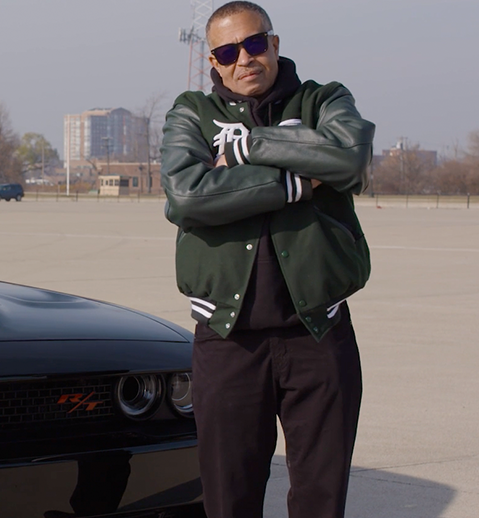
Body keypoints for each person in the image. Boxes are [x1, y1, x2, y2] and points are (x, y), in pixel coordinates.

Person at [159, 2, 375, 517]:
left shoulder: (325, 99)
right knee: (228, 500)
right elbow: (188, 197)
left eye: (255, 44)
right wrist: (297, 178)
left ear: (275, 44)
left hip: (319, 333)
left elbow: (349, 158)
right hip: (227, 340)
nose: (244, 59)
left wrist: (247, 146)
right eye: (228, 52)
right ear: (213, 61)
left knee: (320, 500)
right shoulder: (191, 111)